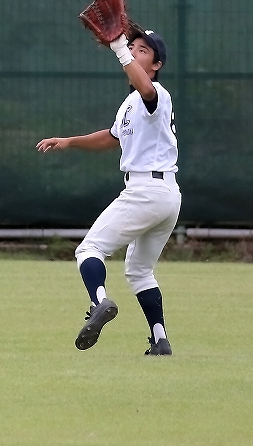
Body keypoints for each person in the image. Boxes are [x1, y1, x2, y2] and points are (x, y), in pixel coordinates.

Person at [36, 26, 180, 356]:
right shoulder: (132, 103)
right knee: (140, 270)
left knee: (89, 249)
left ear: (156, 64)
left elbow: (145, 88)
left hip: (147, 190)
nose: (134, 51)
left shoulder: (156, 93)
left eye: (143, 50)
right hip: (165, 196)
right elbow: (112, 137)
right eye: (133, 46)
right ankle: (159, 339)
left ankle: (99, 303)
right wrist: (70, 141)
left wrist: (118, 48)